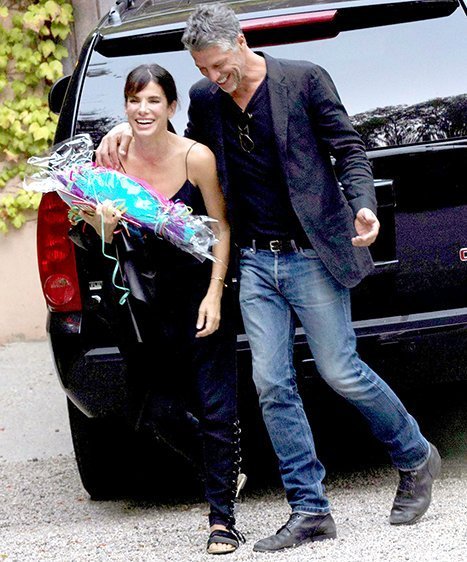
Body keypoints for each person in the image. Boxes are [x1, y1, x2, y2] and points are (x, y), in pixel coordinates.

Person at [95, 3, 441, 554]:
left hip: (311, 255)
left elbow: (349, 149)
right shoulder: (206, 98)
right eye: (203, 69)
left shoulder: (303, 80)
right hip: (254, 261)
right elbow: (185, 152)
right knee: (272, 384)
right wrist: (124, 128)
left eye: (219, 65)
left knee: (339, 369)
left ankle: (414, 454)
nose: (214, 77)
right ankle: (310, 509)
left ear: (240, 41)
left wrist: (363, 204)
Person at [76, 63, 245, 555]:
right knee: (154, 409)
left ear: (172, 107)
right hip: (144, 304)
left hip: (198, 294)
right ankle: (222, 466)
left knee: (215, 406)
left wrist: (215, 293)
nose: (143, 110)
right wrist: (104, 224)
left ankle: (221, 521)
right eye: (134, 100)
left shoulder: (196, 158)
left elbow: (221, 227)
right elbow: (96, 237)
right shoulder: (112, 161)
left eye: (153, 100)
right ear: (125, 107)